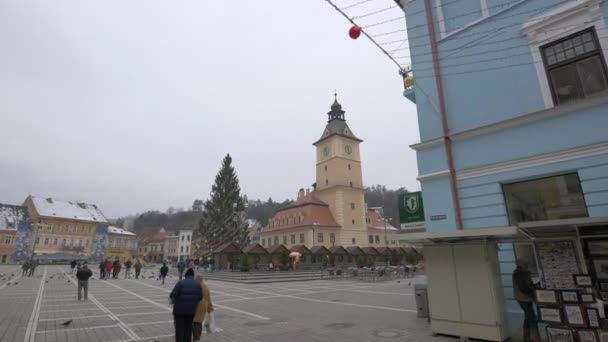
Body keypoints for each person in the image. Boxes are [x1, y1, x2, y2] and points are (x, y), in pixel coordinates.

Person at [170, 268, 202, 342]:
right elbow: (200, 297)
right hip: (191, 311)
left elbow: (173, 295)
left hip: (179, 311)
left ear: (186, 275)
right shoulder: (197, 284)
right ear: (193, 275)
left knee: (179, 329)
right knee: (188, 328)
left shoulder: (180, 283)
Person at [513, 259, 540, 342]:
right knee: (532, 318)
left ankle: (526, 338)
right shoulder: (519, 274)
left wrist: (535, 285)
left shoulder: (524, 273)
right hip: (524, 298)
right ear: (521, 265)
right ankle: (536, 339)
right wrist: (532, 290)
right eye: (526, 264)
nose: (527, 265)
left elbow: (528, 285)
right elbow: (524, 287)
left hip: (525, 298)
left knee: (528, 317)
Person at [192, 274, 214, 342]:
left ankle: (196, 338)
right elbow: (209, 299)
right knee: (199, 322)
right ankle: (197, 337)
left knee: (195, 322)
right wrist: (210, 309)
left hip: (196, 306)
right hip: (203, 307)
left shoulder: (194, 286)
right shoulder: (206, 287)